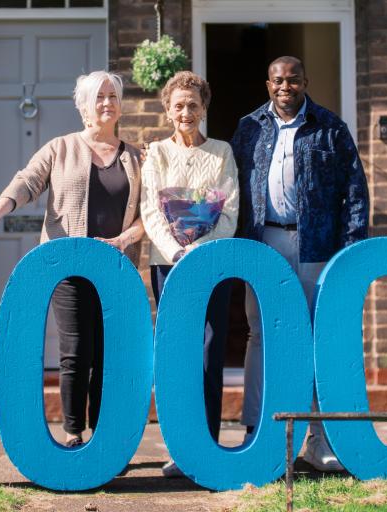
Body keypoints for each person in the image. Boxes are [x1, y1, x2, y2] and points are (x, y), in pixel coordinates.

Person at [0, 71, 144, 448]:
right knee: (76, 352)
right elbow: (26, 181)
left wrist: (127, 238)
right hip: (69, 266)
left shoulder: (135, 158)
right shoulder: (60, 148)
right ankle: (74, 432)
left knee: (110, 355)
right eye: (98, 97)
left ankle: (105, 437)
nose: (107, 103)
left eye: (113, 96)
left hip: (116, 269)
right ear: (83, 106)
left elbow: (152, 213)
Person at [230, 56, 369, 471]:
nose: (285, 86)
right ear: (267, 83)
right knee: (260, 335)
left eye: (293, 80)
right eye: (278, 80)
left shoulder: (331, 128)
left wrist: (350, 248)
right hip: (263, 241)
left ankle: (319, 438)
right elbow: (228, 184)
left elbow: (355, 191)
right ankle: (256, 431)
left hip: (316, 245)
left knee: (315, 337)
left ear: (305, 81)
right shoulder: (248, 127)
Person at [140, 71, 239, 477]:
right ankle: (179, 447)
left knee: (209, 352)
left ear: (204, 108)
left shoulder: (222, 153)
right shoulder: (157, 155)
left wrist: (197, 251)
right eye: (178, 105)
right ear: (167, 110)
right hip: (167, 264)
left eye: (193, 105)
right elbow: (150, 209)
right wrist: (176, 250)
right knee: (177, 355)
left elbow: (229, 211)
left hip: (209, 264)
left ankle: (208, 443)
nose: (186, 112)